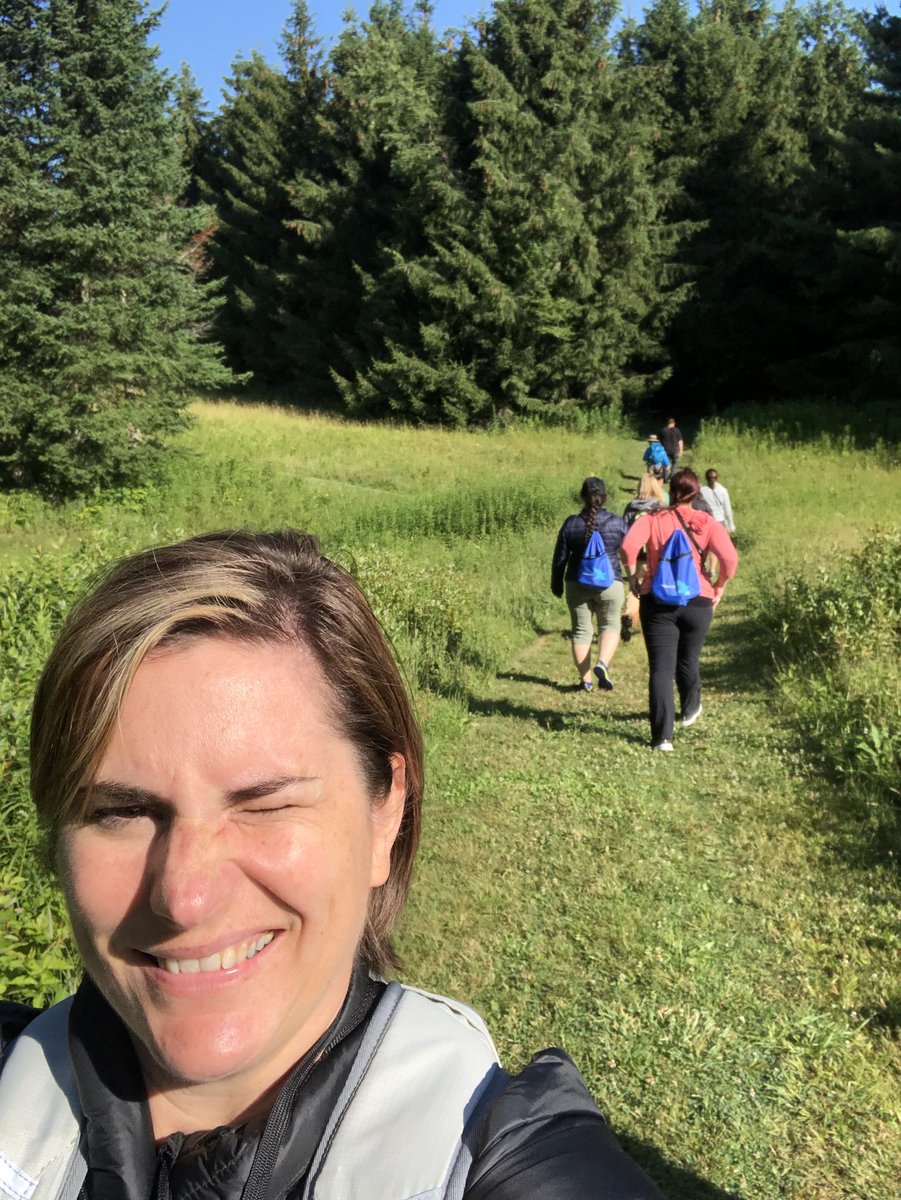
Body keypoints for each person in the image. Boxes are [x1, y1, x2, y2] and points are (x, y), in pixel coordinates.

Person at [0, 530, 665, 1200]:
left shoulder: (507, 1162)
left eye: (265, 805)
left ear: (385, 815)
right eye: (122, 811)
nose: (185, 896)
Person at [623, 471, 739, 751]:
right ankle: (690, 708)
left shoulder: (652, 520)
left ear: (670, 492)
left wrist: (632, 576)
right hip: (698, 598)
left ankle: (662, 737)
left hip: (658, 599)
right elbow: (730, 558)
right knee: (689, 657)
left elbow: (627, 546)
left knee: (661, 668)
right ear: (695, 493)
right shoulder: (707, 523)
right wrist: (720, 586)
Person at [552, 478, 629, 692]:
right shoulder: (617, 523)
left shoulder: (571, 523)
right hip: (610, 583)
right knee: (610, 625)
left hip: (577, 583)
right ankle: (602, 664)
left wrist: (556, 584)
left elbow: (560, 558)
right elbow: (630, 550)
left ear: (582, 497)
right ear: (604, 498)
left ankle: (585, 680)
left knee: (580, 631)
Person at [620, 474, 667, 641]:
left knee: (636, 587)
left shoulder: (631, 507)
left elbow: (624, 532)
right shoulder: (661, 507)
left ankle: (629, 613)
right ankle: (656, 621)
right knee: (659, 587)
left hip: (637, 555)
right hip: (656, 554)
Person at [700, 468, 736, 534]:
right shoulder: (723, 490)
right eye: (711, 478)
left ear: (706, 478)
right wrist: (731, 525)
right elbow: (727, 508)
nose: (712, 480)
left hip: (708, 521)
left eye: (714, 478)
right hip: (718, 521)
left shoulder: (701, 491)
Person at [659, 418, 683, 483]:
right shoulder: (677, 430)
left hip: (665, 451)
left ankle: (666, 479)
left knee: (665, 465)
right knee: (674, 465)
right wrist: (681, 450)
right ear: (673, 423)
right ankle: (672, 477)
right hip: (675, 451)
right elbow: (680, 441)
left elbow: (660, 441)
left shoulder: (663, 430)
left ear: (667, 423)